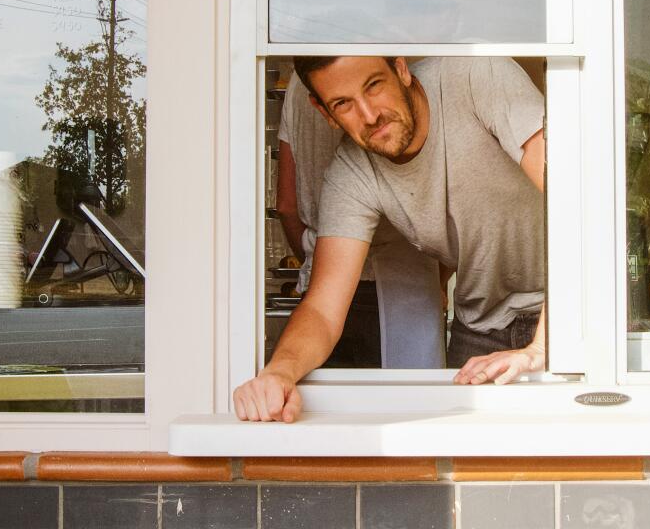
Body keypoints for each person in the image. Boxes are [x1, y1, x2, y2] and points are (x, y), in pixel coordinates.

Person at [234, 55, 546, 422]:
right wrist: (278, 372)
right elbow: (322, 309)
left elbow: (576, 198)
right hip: (481, 325)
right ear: (324, 112)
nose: (369, 115)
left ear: (401, 69)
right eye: (343, 104)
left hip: (564, 312)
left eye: (373, 86)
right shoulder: (350, 174)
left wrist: (541, 346)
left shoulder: (479, 77)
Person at [275, 72, 445, 369]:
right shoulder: (386, 77)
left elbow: (287, 205)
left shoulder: (299, 86)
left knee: (328, 408)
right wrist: (440, 279)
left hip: (321, 293)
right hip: (403, 287)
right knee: (411, 407)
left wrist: (316, 262)